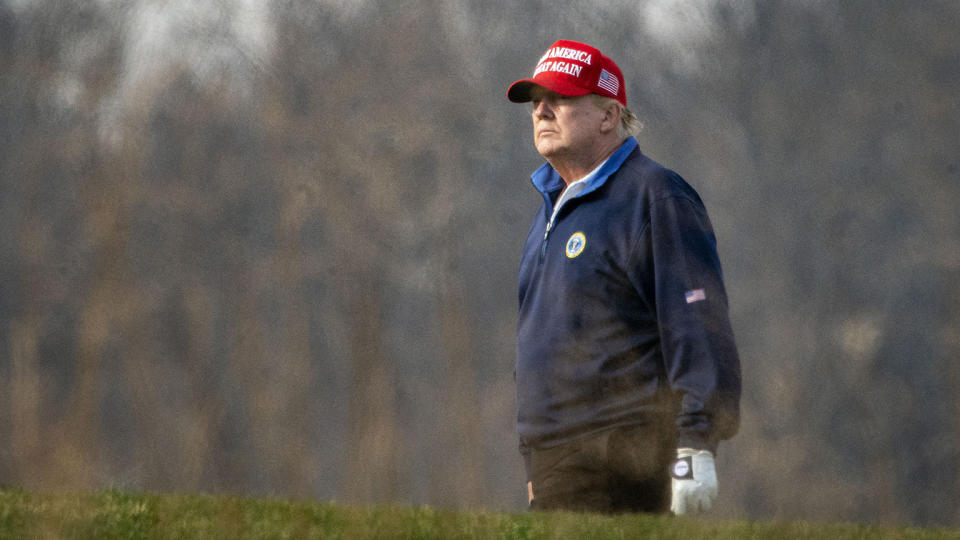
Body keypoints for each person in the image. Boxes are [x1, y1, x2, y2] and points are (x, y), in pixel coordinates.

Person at [507, 39, 741, 515]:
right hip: (558, 467)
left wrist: (696, 441)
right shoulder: (549, 211)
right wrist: (535, 461)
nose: (543, 110)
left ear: (609, 116)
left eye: (562, 97)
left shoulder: (654, 195)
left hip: (625, 456)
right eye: (536, 101)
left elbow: (697, 320)